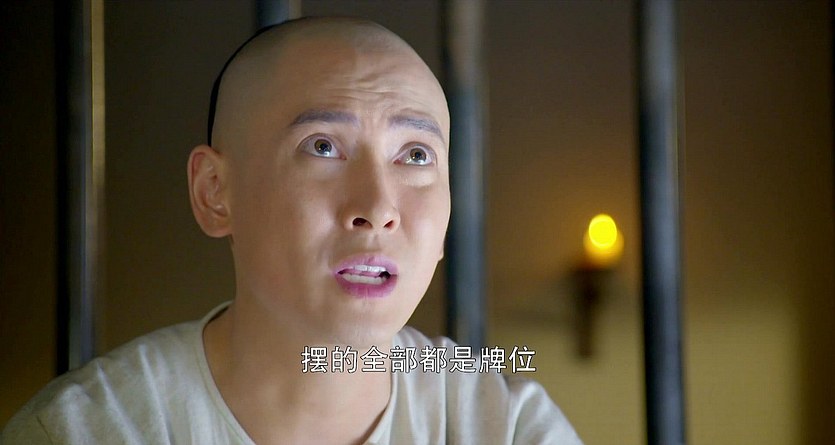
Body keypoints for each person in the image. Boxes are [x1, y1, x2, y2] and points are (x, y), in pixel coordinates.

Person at [1, 17, 582, 444]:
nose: (378, 207)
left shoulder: (503, 425)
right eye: (323, 146)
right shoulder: (90, 430)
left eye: (415, 155)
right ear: (215, 192)